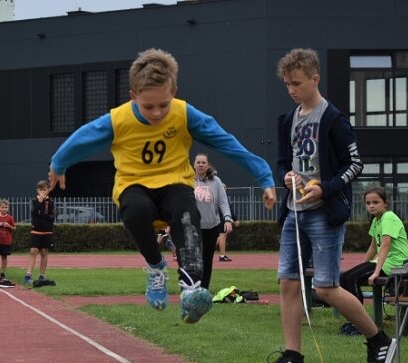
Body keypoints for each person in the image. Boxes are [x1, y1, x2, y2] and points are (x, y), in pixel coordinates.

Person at [48, 48, 276, 324]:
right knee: (136, 211)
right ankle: (156, 268)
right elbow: (84, 138)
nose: (157, 113)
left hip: (174, 182)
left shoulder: (184, 114)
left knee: (187, 214)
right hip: (134, 184)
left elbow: (225, 141)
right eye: (148, 106)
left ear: (175, 92)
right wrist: (59, 164)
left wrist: (263, 176)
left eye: (163, 105)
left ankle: (191, 290)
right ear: (133, 95)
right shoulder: (118, 119)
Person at [255, 48, 396, 363]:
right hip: (293, 212)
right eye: (287, 84)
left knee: (325, 287)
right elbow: (281, 162)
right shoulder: (288, 120)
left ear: (314, 79)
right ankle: (293, 357)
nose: (292, 90)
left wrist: (327, 188)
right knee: (288, 283)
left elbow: (356, 163)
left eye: (297, 83)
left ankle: (380, 340)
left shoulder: (333, 118)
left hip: (323, 213)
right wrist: (285, 177)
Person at [340, 186, 408, 305]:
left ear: (385, 204)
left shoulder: (388, 217)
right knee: (344, 277)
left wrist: (376, 272)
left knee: (352, 279)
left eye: (376, 202)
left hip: (395, 263)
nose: (371, 205)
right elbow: (373, 247)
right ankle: (351, 315)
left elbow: (385, 246)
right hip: (382, 262)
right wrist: (363, 265)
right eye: (368, 203)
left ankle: (358, 320)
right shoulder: (376, 220)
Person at [193, 153, 233, 290]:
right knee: (193, 261)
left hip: (211, 227)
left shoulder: (216, 181)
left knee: (207, 260)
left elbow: (223, 202)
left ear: (208, 165)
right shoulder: (188, 180)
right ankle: (192, 289)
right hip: (193, 228)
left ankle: (204, 289)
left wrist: (227, 219)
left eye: (203, 162)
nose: (201, 165)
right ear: (194, 165)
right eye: (198, 162)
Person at [23, 180, 56, 287]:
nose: (43, 192)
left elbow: (51, 216)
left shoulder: (50, 201)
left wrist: (42, 214)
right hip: (36, 229)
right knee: (33, 251)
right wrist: (40, 201)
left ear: (48, 190)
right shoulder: (35, 201)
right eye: (41, 189)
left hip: (47, 230)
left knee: (44, 252)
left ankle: (42, 274)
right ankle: (28, 274)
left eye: (45, 189)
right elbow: (34, 212)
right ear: (38, 190)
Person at [0, 198, 16, 287]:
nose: (4, 209)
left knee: (4, 257)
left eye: (6, 207)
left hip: (6, 241)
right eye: (2, 207)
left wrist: (9, 226)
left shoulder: (10, 218)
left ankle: (2, 273)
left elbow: (14, 228)